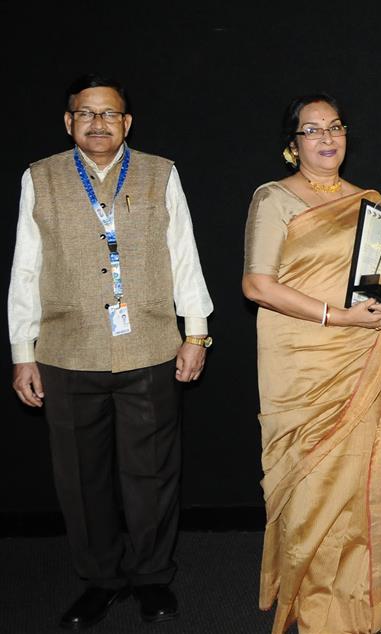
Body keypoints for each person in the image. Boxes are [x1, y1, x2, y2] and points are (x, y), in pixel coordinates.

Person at [7, 74, 213, 628]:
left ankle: (151, 577)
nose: (99, 123)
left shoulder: (160, 172)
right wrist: (21, 351)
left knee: (151, 475)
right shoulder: (40, 178)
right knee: (81, 477)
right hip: (66, 352)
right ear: (69, 121)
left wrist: (195, 333)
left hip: (149, 348)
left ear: (127, 123)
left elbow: (184, 255)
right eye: (86, 113)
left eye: (110, 114)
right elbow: (25, 270)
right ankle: (100, 580)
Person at [242, 94, 381, 633]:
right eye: (311, 130)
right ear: (291, 145)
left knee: (358, 485)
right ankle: (308, 601)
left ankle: (350, 601)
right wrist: (338, 318)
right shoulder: (275, 199)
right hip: (302, 363)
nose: (327, 138)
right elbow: (257, 285)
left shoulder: (374, 207)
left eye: (336, 127)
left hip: (365, 359)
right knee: (308, 489)